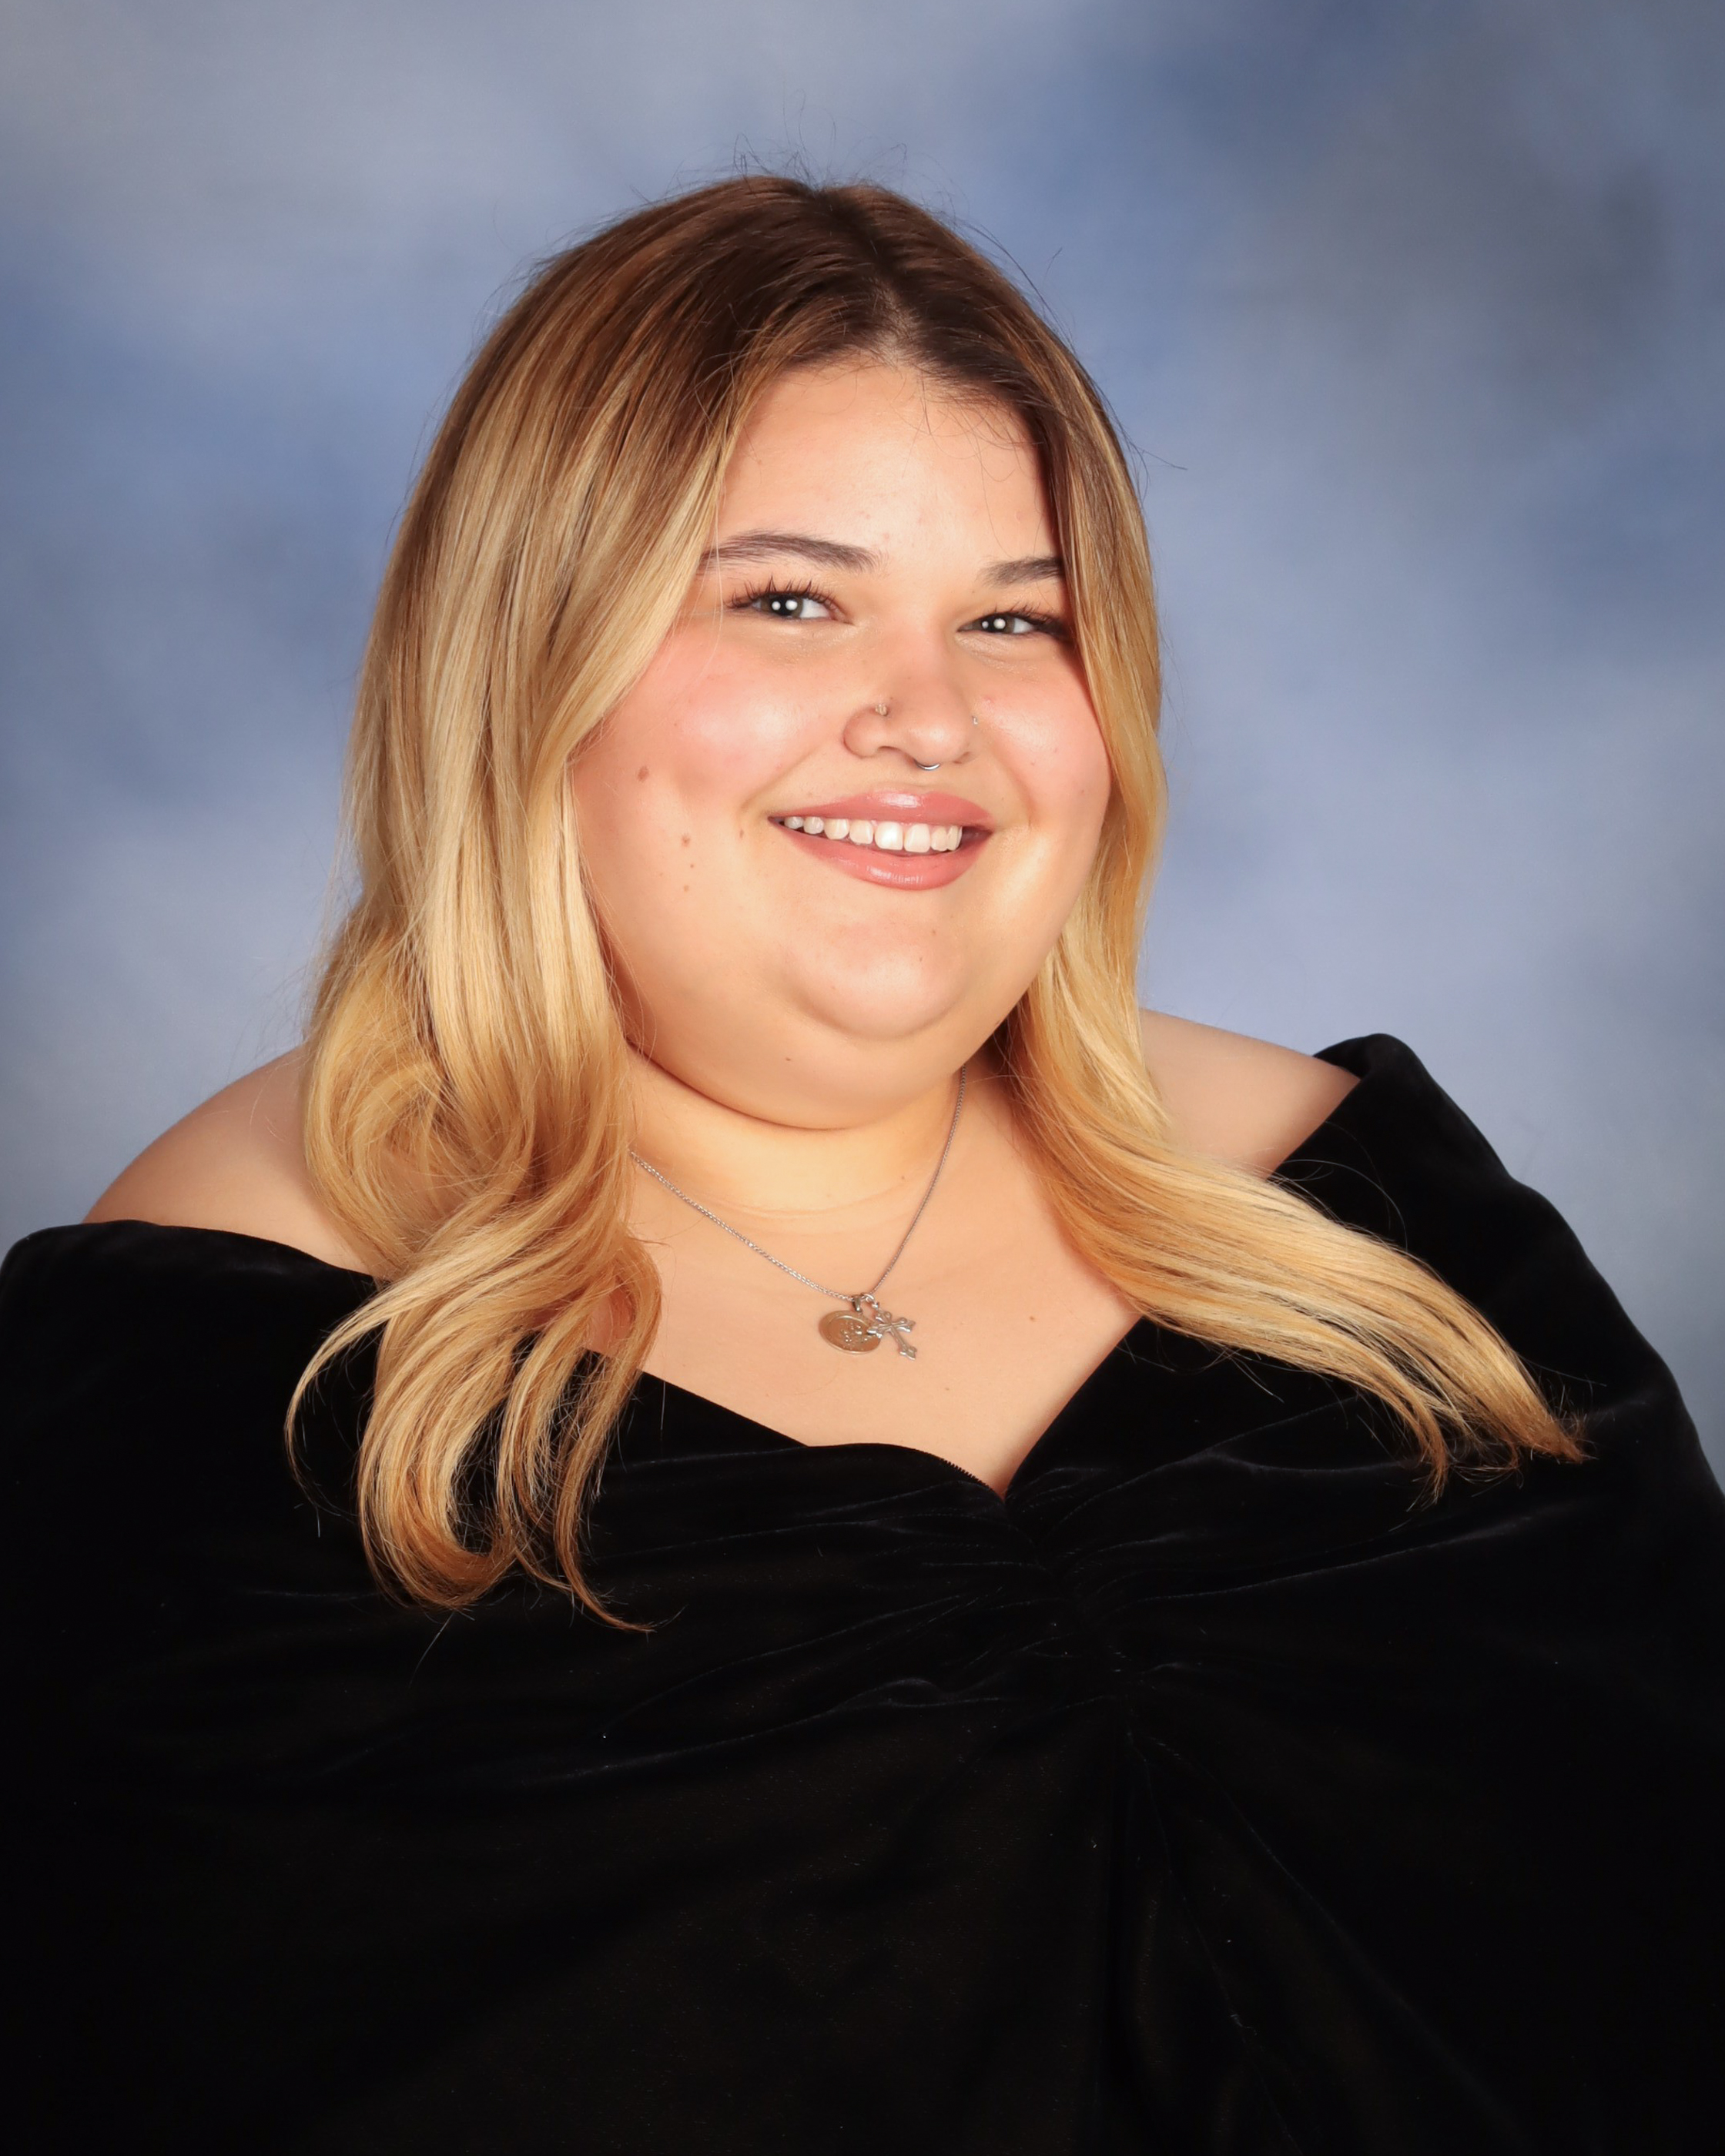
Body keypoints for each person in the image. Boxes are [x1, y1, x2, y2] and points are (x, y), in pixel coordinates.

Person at [5, 176, 1722, 2155]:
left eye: (1014, 620)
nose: (928, 721)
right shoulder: (225, 1349)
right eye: (789, 600)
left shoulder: (1376, 1222)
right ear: (527, 660)